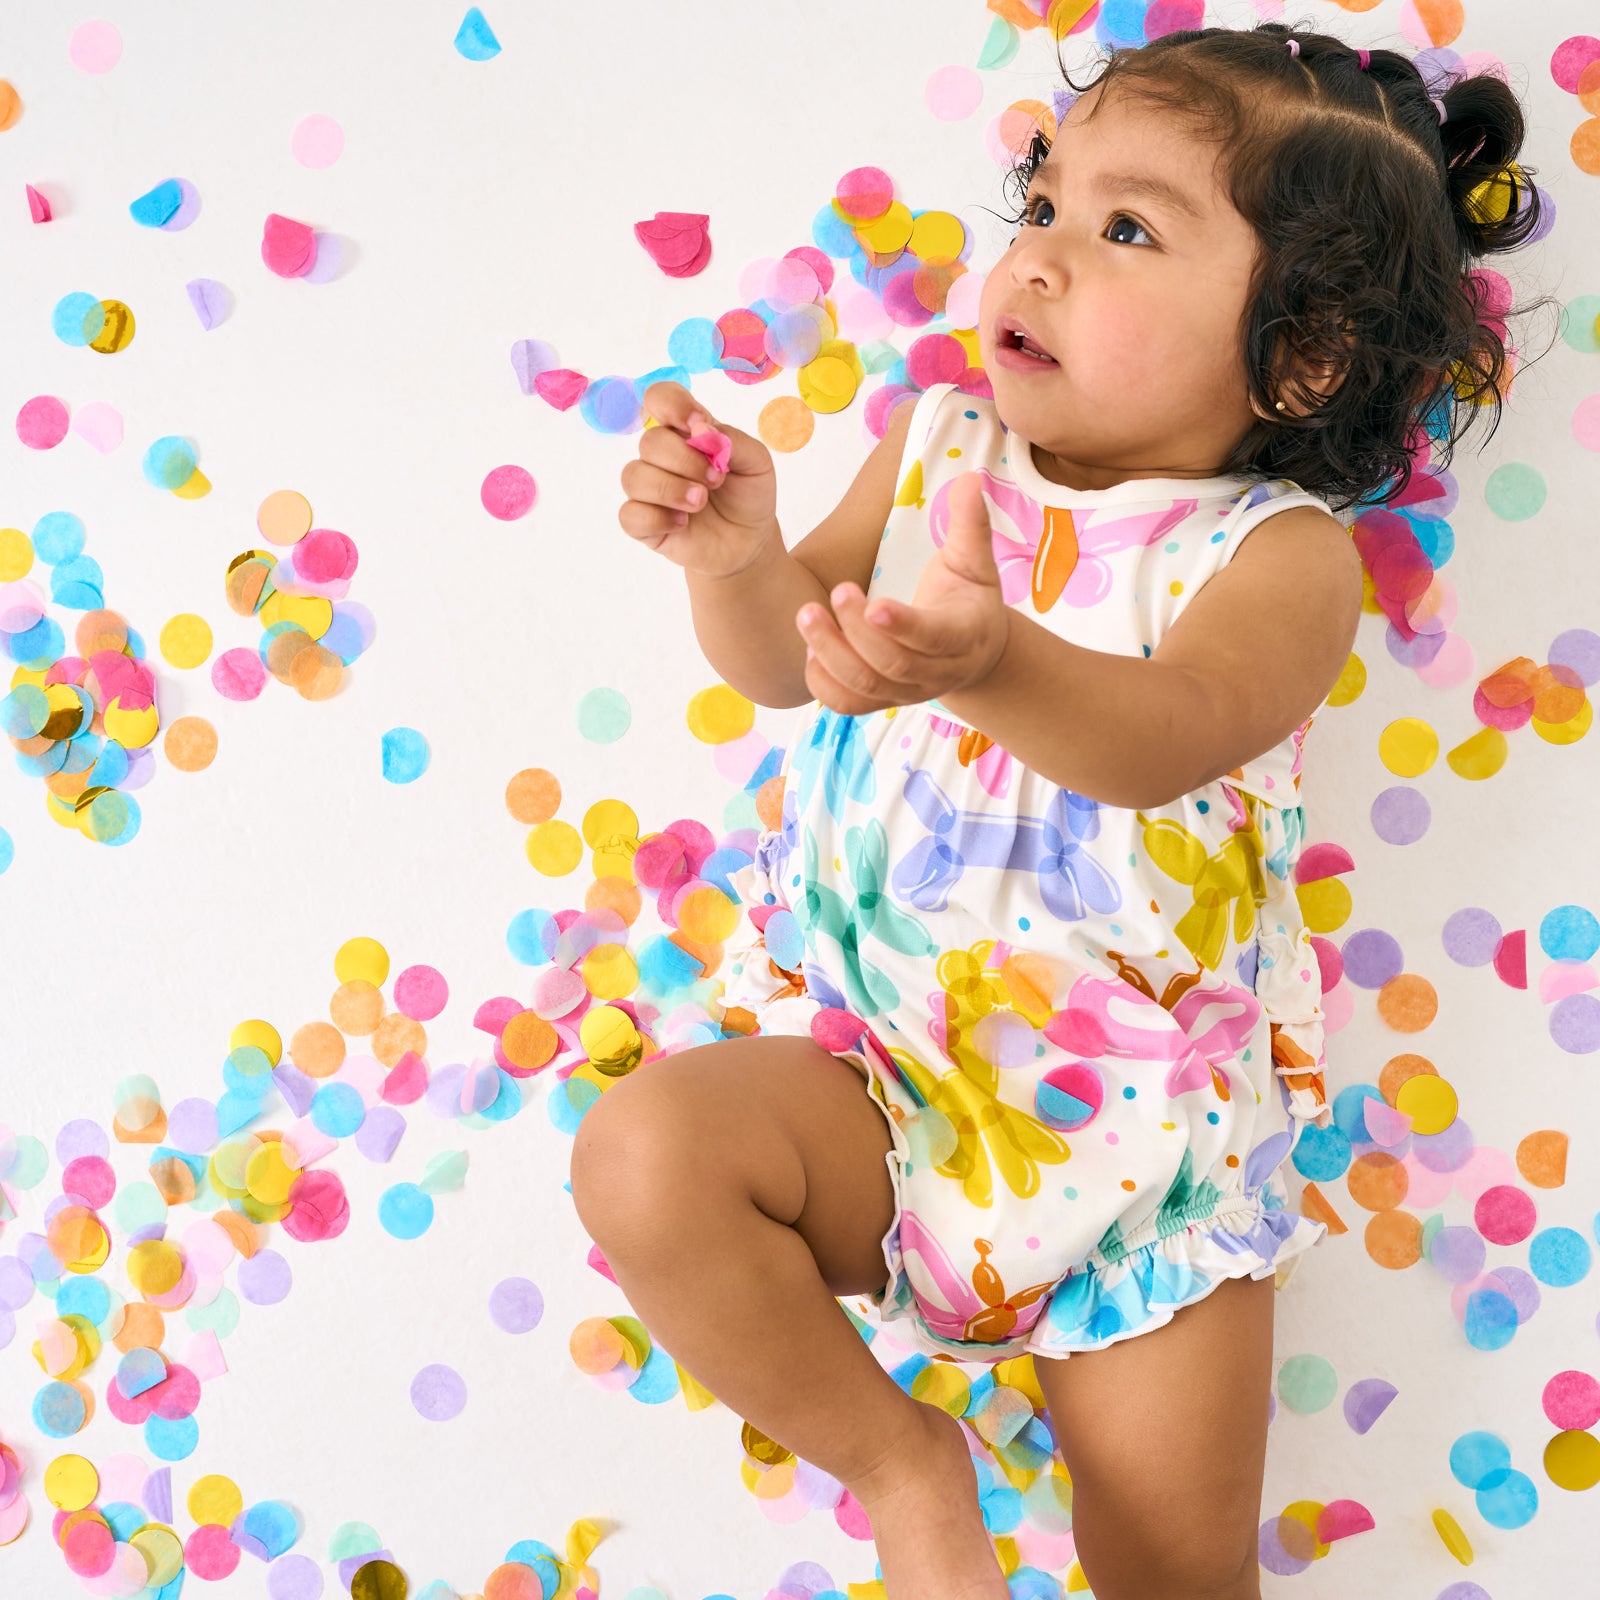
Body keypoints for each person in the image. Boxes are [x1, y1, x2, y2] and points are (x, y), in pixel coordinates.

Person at [574, 19, 1549, 1600]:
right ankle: (904, 1464)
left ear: (1294, 356)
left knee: (1172, 1573)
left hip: (1144, 1176)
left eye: (1125, 230)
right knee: (642, 1158)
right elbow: (785, 664)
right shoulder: (945, 440)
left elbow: (1164, 738)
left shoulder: (1275, 554)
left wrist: (989, 658)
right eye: (1041, 201)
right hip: (879, 1082)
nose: (1035, 258)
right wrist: (739, 563)